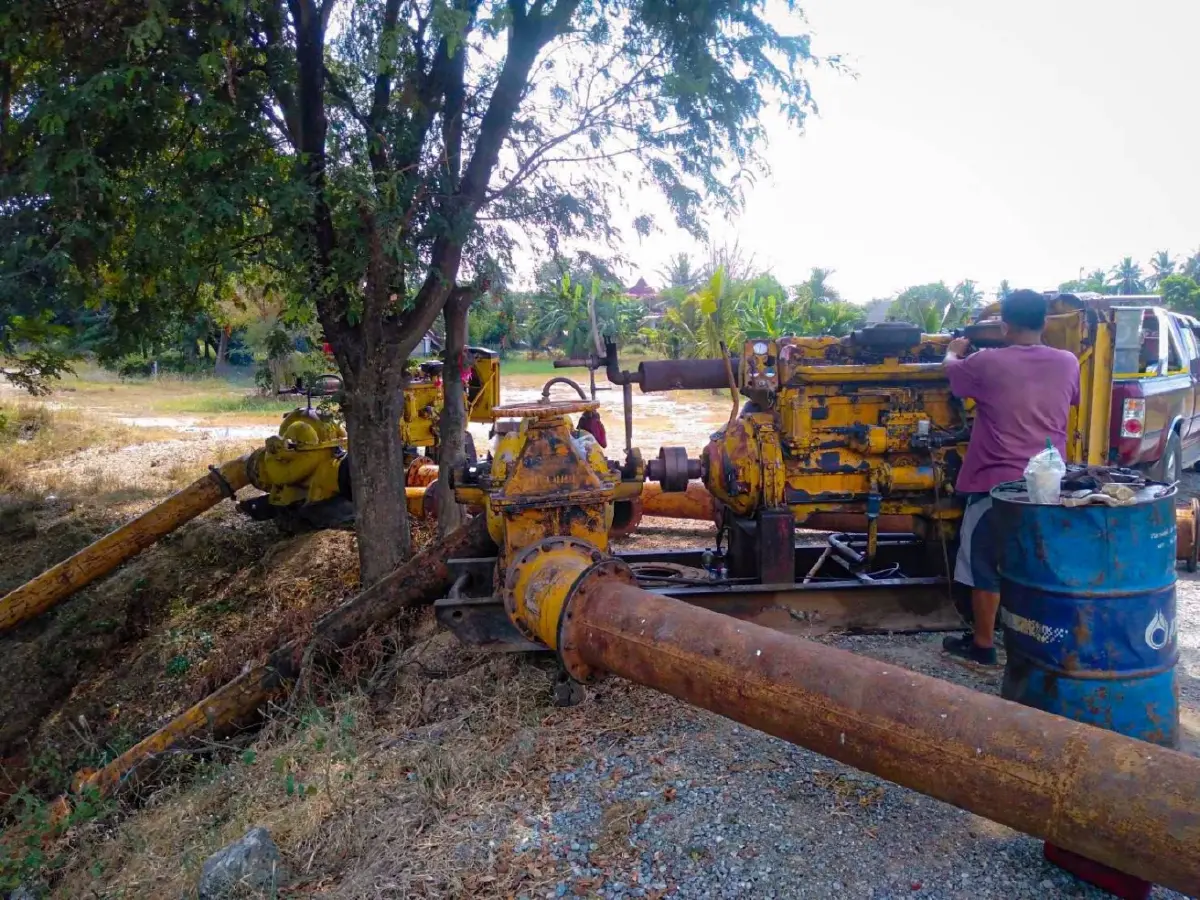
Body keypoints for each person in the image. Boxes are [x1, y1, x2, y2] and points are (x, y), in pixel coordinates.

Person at [942, 289, 1080, 664]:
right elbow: (1072, 400)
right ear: (1045, 322)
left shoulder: (986, 362)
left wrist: (954, 349)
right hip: (1047, 483)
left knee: (983, 563)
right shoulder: (1068, 362)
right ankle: (1039, 639)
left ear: (1004, 326)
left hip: (996, 483)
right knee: (1034, 560)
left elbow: (953, 372)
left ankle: (983, 646)